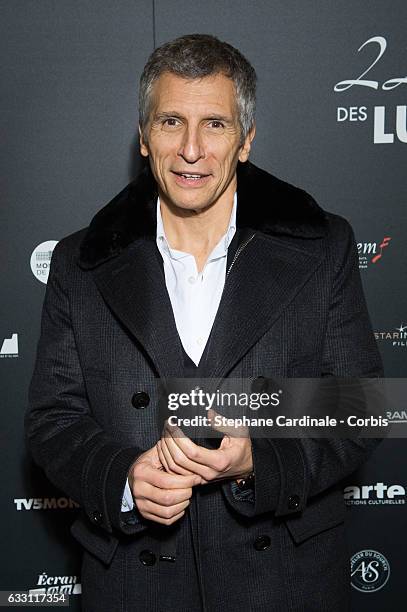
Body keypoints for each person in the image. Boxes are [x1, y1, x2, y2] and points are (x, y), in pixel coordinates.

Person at [25, 34, 383, 611]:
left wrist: (258, 459)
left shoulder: (321, 246)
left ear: (245, 140)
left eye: (214, 124)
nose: (192, 150)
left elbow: (360, 404)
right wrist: (123, 479)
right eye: (171, 121)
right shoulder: (81, 261)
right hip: (134, 587)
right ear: (144, 137)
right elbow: (53, 418)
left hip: (284, 584)